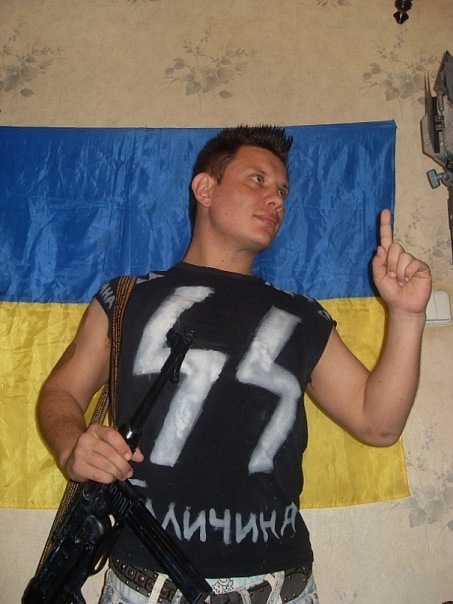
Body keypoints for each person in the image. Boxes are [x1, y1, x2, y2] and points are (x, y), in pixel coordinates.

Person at [37, 125, 432, 604]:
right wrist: (71, 446)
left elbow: (379, 424)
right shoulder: (126, 298)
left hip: (280, 587)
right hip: (145, 585)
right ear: (205, 189)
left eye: (283, 190)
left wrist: (407, 315)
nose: (277, 199)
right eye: (257, 180)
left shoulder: (303, 315)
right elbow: (61, 392)